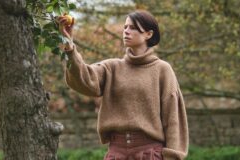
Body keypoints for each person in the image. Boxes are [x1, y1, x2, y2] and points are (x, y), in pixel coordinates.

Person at [57, 10, 189, 160]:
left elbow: (173, 118)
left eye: (132, 27)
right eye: (125, 27)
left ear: (148, 34)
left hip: (150, 154)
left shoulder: (162, 70)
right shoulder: (112, 67)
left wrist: (172, 156)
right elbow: (84, 79)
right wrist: (69, 46)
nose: (126, 31)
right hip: (116, 154)